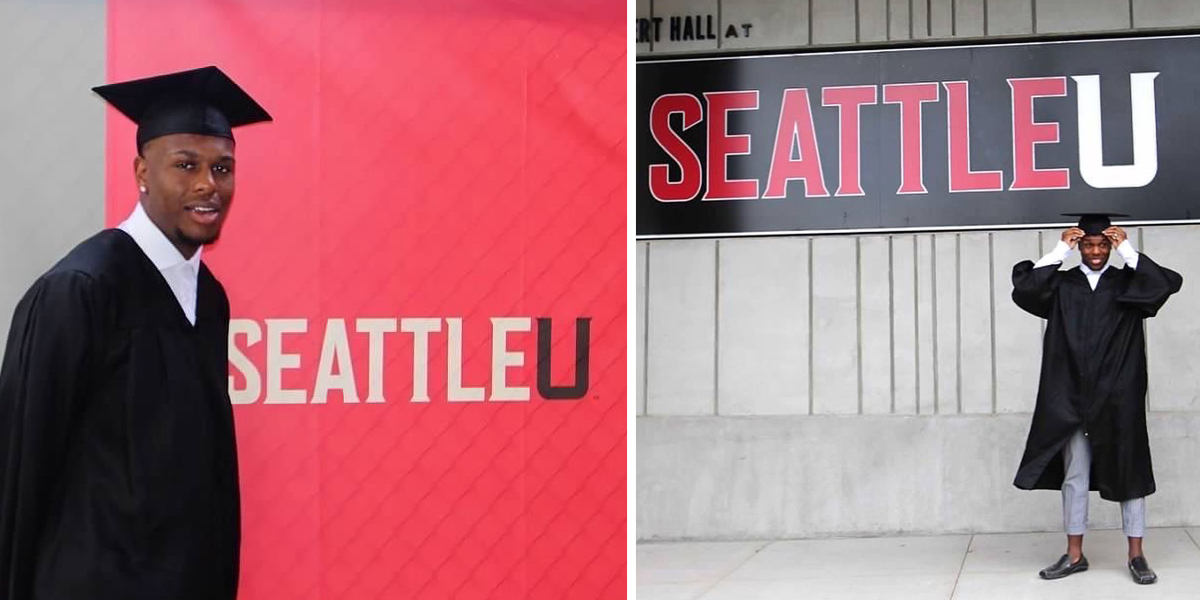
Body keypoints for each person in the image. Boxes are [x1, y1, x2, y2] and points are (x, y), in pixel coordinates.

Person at [0, 66, 271, 599]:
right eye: (186, 165)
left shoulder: (208, 298)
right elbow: (22, 463)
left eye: (222, 168)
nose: (207, 185)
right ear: (142, 171)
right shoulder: (82, 288)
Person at [1011, 212, 1182, 585]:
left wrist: (1128, 249)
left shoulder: (1129, 283)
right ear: (1079, 246)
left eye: (1102, 244)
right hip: (1070, 396)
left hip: (1118, 394)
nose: (1094, 251)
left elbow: (1167, 283)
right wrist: (1059, 248)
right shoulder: (1063, 285)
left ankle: (1136, 555)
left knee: (1129, 470)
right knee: (1074, 474)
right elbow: (1024, 289)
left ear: (1110, 246)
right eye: (1087, 244)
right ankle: (1074, 555)